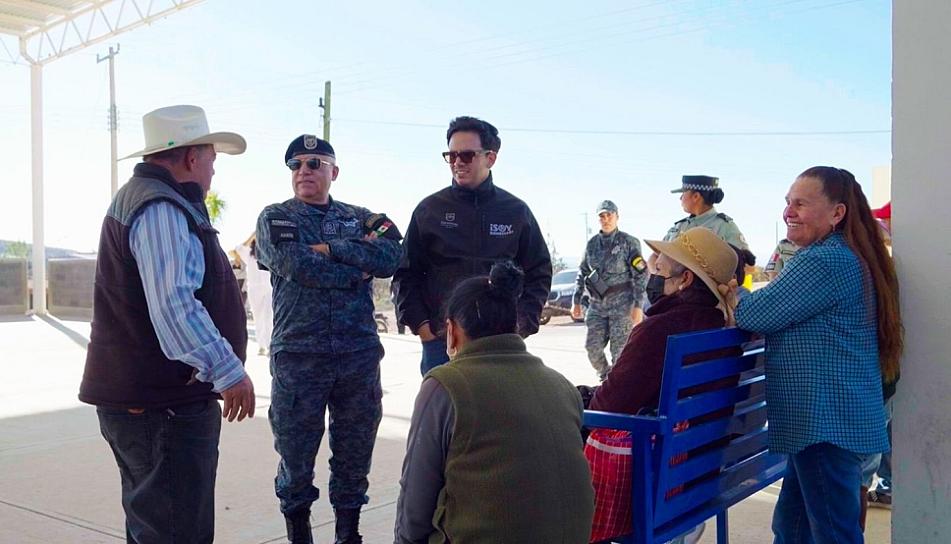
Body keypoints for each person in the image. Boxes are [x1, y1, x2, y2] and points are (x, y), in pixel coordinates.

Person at [79, 105, 255, 543]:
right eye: (212, 159)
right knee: (176, 532)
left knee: (158, 527)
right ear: (191, 158)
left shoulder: (152, 200)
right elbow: (175, 307)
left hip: (153, 405)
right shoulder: (160, 207)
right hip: (163, 408)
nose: (214, 171)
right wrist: (229, 371)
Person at [734, 166, 901, 543]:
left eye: (801, 204)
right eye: (788, 203)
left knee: (833, 532)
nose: (789, 212)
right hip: (826, 422)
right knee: (792, 528)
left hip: (825, 422)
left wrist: (733, 293)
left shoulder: (825, 260)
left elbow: (755, 313)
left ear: (837, 213)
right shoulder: (851, 255)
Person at [255, 134, 403, 544]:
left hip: (357, 356)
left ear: (333, 172)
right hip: (300, 357)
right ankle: (299, 534)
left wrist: (329, 248)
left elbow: (392, 254)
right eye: (297, 165)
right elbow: (296, 265)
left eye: (315, 163)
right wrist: (356, 266)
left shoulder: (362, 216)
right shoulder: (275, 218)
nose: (304, 170)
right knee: (295, 456)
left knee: (355, 454)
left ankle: (347, 535)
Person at [394, 262, 594, 543]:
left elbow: (414, 507)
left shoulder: (445, 385)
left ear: (452, 330)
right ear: (514, 326)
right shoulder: (561, 385)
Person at [582, 227, 738, 543]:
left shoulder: (660, 330)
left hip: (659, 485)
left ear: (685, 280)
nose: (653, 276)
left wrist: (575, 399)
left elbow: (606, 408)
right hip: (701, 475)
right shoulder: (722, 328)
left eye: (661, 270)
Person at [393, 116, 552, 375]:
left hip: (500, 344)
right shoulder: (429, 211)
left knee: (499, 414)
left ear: (490, 158)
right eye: (451, 155)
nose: (457, 163)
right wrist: (423, 327)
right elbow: (405, 274)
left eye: (466, 155)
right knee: (447, 413)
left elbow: (539, 272)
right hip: (442, 344)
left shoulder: (516, 212)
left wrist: (521, 325)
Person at [571, 199, 648, 380]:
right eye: (602, 216)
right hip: (597, 305)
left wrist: (638, 305)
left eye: (609, 215)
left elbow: (641, 274)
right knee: (592, 348)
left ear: (617, 216)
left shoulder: (629, 243)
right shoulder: (591, 245)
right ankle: (607, 377)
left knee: (619, 352)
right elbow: (582, 273)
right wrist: (576, 301)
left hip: (623, 306)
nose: (606, 219)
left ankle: (618, 386)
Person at [234, 234, 273, 354]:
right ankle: (261, 345)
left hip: (269, 288)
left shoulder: (269, 252)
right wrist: (254, 234)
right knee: (258, 317)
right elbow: (238, 248)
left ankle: (268, 344)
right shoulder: (248, 255)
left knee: (268, 317)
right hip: (254, 289)